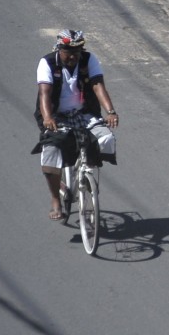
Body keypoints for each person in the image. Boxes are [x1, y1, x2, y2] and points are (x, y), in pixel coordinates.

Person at [34, 29, 118, 220]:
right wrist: (48, 117)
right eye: (68, 52)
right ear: (59, 49)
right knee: (51, 150)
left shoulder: (89, 60)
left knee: (105, 137)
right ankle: (56, 199)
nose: (73, 56)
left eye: (77, 52)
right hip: (57, 115)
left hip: (84, 113)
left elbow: (98, 85)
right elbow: (44, 93)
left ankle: (87, 167)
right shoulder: (47, 62)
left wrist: (110, 111)